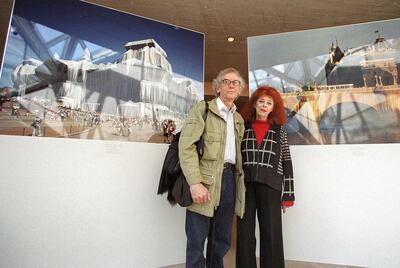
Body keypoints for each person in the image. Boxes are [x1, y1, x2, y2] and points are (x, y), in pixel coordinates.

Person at [179, 67, 246, 268]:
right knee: (196, 240)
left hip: (229, 180)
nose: (232, 85)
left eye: (236, 82)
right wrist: (194, 183)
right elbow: (186, 146)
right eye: (227, 81)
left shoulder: (238, 119)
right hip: (205, 180)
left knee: (222, 240)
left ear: (239, 89)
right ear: (218, 87)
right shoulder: (203, 110)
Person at [236, 86, 295, 268]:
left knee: (271, 233)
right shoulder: (242, 127)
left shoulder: (279, 131)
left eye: (269, 103)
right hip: (245, 187)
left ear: (273, 108)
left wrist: (288, 195)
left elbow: (287, 161)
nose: (264, 105)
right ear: (254, 104)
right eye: (261, 101)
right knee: (245, 234)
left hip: (272, 186)